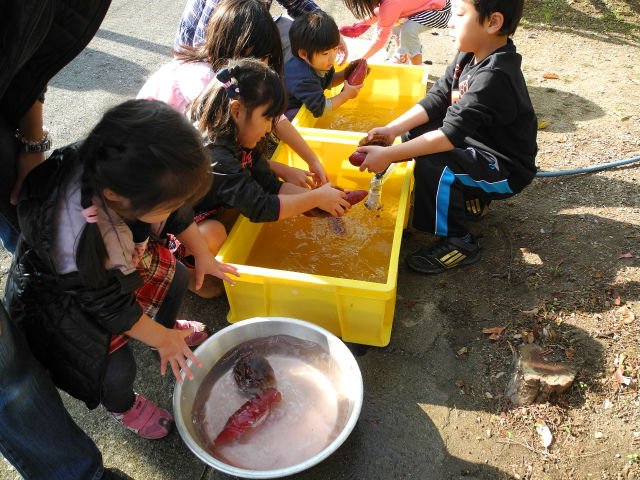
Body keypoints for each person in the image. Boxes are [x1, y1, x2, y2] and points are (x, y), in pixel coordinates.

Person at [4, 99, 239, 440]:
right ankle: (122, 406)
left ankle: (166, 329)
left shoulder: (127, 176)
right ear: (116, 196)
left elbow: (175, 212)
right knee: (113, 372)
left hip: (114, 276)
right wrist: (159, 340)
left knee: (180, 277)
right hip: (68, 308)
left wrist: (202, 252)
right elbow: (109, 306)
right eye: (169, 203)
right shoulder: (77, 235)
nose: (175, 209)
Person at [356, 0, 537, 274]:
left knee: (432, 164)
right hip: (478, 147)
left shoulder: (495, 76)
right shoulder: (469, 55)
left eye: (460, 15)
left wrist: (388, 155)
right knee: (412, 135)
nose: (449, 22)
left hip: (506, 171)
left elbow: (449, 136)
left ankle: (459, 241)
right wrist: (391, 130)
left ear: (493, 23)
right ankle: (469, 198)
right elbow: (439, 97)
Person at [172, 58, 350, 292]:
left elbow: (271, 187)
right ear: (236, 110)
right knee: (215, 233)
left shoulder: (236, 137)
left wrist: (323, 201)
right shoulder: (216, 156)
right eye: (267, 119)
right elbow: (261, 208)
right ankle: (188, 277)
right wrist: (314, 199)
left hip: (208, 207)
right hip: (177, 226)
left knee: (243, 209)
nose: (269, 129)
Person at [138, 0, 330, 192]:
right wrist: (281, 170)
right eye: (261, 57)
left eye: (268, 58)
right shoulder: (206, 81)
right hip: (149, 168)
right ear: (234, 46)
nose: (264, 64)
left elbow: (275, 118)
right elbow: (221, 156)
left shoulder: (233, 73)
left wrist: (312, 159)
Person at [173, 0, 348, 64]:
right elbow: (202, 45)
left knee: (289, 29)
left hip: (241, 40)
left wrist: (333, 34)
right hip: (198, 56)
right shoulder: (222, 5)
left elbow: (299, 4)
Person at [283, 11, 363, 120]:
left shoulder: (321, 63)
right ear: (303, 54)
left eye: (335, 49)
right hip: (286, 109)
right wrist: (345, 95)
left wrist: (347, 73)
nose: (332, 57)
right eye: (325, 53)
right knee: (295, 115)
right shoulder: (303, 78)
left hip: (309, 100)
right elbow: (321, 109)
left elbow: (329, 80)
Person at [339, 0, 452, 65]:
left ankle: (417, 68)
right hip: (426, 5)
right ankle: (402, 56)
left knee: (408, 31)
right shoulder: (388, 4)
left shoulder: (391, 4)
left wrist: (361, 59)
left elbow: (380, 39)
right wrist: (359, 26)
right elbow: (382, 13)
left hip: (441, 11)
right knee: (396, 20)